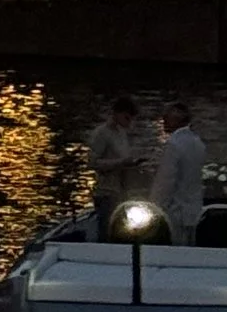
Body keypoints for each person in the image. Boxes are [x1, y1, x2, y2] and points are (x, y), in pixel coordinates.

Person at [84, 94, 156, 230]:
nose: (130, 123)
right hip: (106, 192)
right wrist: (121, 162)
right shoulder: (101, 133)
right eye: (127, 118)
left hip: (121, 192)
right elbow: (93, 163)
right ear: (116, 114)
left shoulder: (122, 133)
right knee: (107, 230)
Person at [153, 98, 208, 242]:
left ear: (176, 120)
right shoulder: (198, 143)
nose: (163, 121)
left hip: (175, 212)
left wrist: (155, 207)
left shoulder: (174, 145)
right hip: (194, 209)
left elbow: (166, 181)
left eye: (166, 118)